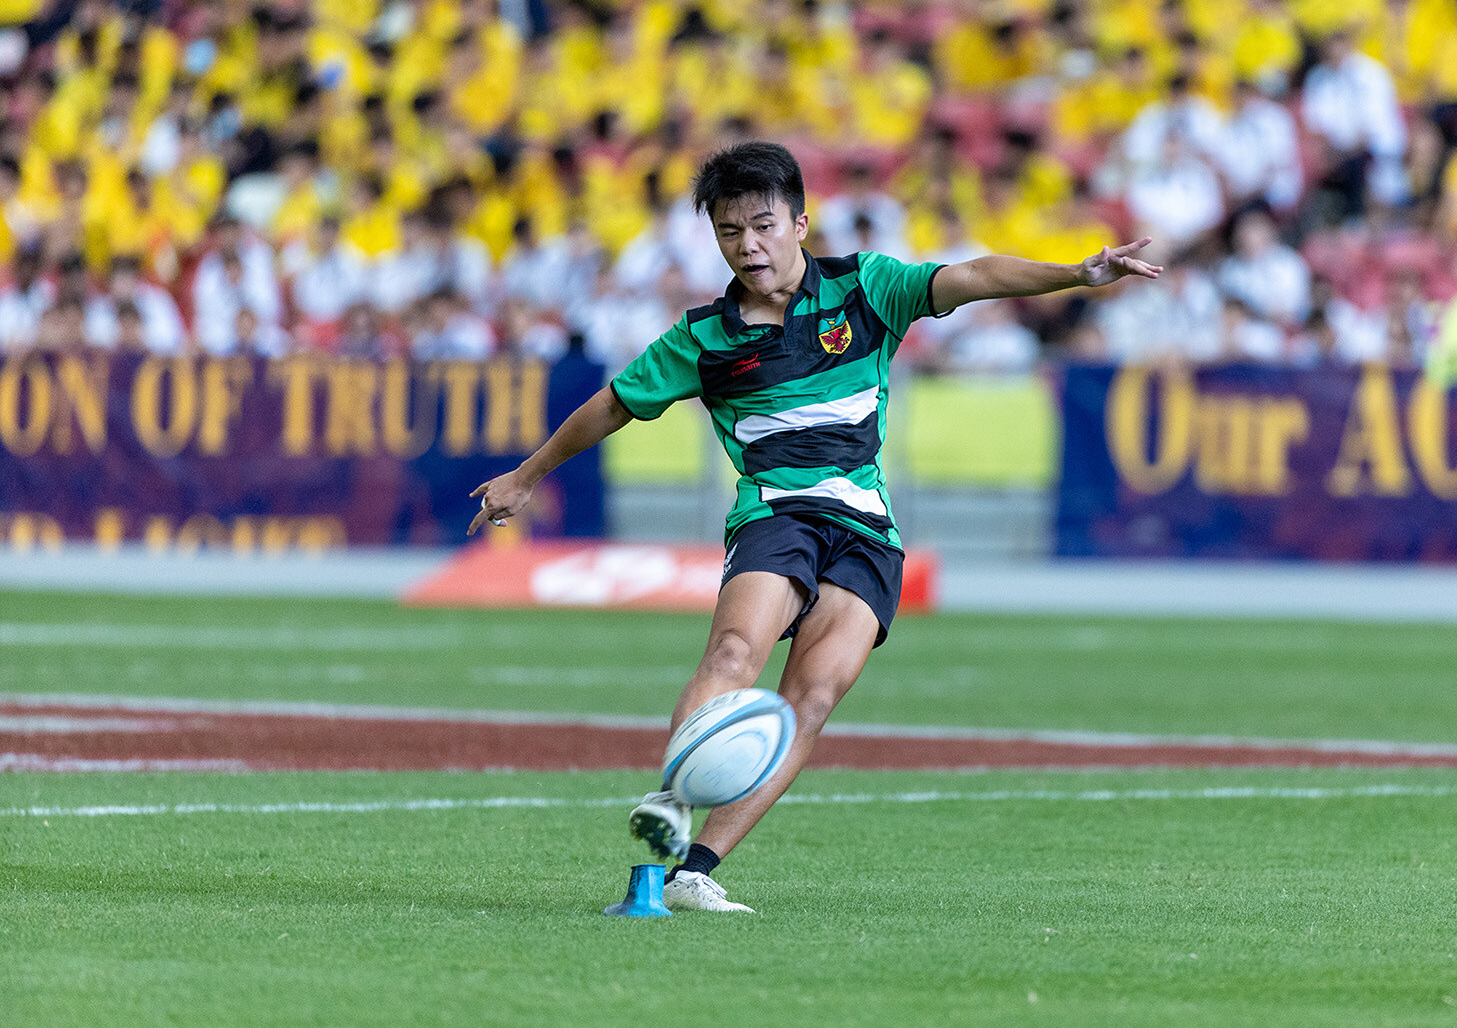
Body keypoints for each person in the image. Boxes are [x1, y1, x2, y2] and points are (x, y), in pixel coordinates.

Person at [467, 142, 1161, 913]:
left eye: (763, 225)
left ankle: (694, 869)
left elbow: (969, 277)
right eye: (730, 232)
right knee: (734, 650)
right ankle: (671, 802)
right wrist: (525, 477)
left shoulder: (867, 288)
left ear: (801, 222)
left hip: (867, 531)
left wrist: (1077, 273)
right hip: (776, 514)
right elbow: (614, 403)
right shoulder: (703, 338)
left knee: (815, 696)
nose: (748, 245)